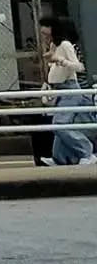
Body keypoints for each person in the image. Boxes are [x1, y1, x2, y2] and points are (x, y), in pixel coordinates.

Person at [38, 16, 97, 167]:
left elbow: (79, 67)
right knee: (60, 126)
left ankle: (86, 151)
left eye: (45, 29)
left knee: (60, 124)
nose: (43, 34)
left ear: (53, 28)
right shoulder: (54, 45)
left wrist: (59, 60)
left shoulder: (65, 45)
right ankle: (59, 158)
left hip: (70, 89)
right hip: (60, 90)